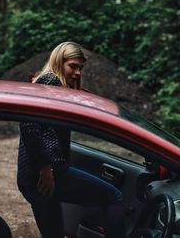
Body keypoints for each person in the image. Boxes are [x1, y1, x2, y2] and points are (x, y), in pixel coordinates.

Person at [17, 42, 125, 238]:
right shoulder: (50, 82)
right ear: (59, 62)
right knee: (113, 197)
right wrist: (46, 168)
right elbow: (31, 125)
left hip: (31, 177)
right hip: (43, 176)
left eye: (80, 68)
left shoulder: (47, 83)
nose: (77, 73)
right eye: (72, 66)